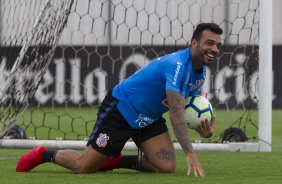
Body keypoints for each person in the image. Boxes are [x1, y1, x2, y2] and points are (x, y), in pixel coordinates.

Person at [16, 22, 222, 177]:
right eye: (209, 43)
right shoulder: (178, 66)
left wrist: (200, 127)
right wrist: (190, 153)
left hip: (149, 117)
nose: (214, 49)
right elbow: (175, 112)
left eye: (218, 45)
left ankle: (115, 160)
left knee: (166, 167)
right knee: (84, 168)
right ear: (194, 43)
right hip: (122, 109)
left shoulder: (200, 72)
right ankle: (42, 154)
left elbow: (186, 109)